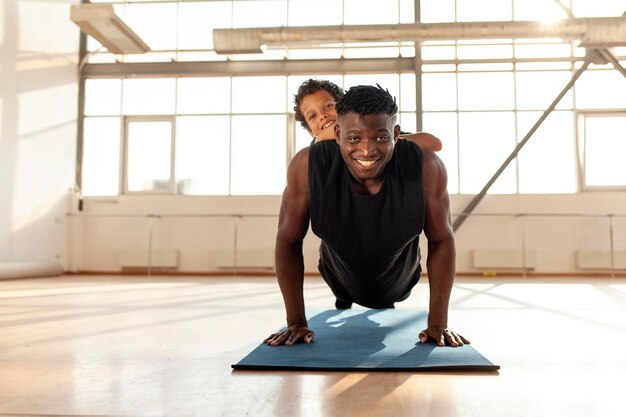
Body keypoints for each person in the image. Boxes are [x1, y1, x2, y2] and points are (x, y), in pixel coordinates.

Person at [264, 84, 468, 348]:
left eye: (381, 138)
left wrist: (439, 323)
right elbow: (288, 240)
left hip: (399, 279)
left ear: (396, 134)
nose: (368, 151)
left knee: (386, 287)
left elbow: (442, 239)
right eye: (354, 139)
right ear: (337, 133)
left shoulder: (426, 166)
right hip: (338, 275)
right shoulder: (306, 165)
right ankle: (345, 298)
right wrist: (295, 321)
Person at [293, 78, 443, 151]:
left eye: (328, 106)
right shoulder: (317, 149)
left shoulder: (379, 131)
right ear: (310, 132)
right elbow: (324, 137)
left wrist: (384, 140)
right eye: (312, 116)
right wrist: (322, 137)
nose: (322, 115)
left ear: (343, 106)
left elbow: (434, 144)